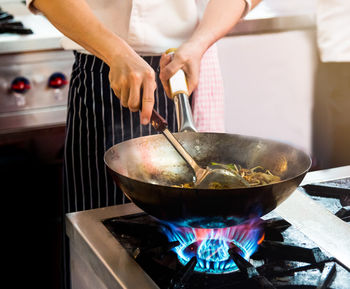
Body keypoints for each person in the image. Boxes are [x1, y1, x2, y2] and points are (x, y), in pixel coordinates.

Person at [27, 0, 261, 214]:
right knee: (98, 228)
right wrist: (115, 52)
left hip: (185, 66)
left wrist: (199, 43)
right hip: (103, 71)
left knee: (195, 221)